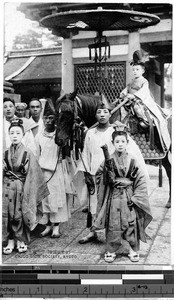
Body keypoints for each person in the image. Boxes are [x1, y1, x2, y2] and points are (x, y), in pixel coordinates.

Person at [74, 102, 149, 244]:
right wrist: (86, 173)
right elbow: (85, 154)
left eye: (105, 112)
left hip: (111, 176)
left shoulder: (115, 133)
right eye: (99, 112)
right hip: (94, 173)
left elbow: (127, 151)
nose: (102, 115)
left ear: (110, 114)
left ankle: (117, 234)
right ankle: (92, 231)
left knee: (111, 205)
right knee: (94, 203)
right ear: (95, 115)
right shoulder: (90, 133)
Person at [91, 123, 152, 263]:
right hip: (114, 196)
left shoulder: (133, 160)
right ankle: (111, 250)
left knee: (131, 222)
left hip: (129, 195)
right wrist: (107, 174)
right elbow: (99, 176)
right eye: (117, 142)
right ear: (113, 143)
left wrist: (137, 198)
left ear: (127, 143)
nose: (120, 144)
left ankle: (133, 249)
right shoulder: (108, 160)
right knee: (113, 222)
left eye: (122, 141)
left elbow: (140, 179)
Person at [2, 119, 49, 254]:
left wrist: (28, 190)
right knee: (8, 214)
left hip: (23, 187)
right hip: (7, 187)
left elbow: (34, 174)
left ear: (23, 135)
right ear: (9, 135)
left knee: (21, 213)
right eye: (12, 133)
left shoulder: (28, 153)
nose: (15, 135)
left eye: (18, 133)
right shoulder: (4, 153)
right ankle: (10, 239)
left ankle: (21, 240)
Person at [35, 100, 73, 238]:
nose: (48, 121)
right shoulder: (39, 135)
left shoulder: (59, 134)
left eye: (51, 118)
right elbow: (36, 153)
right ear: (42, 119)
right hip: (43, 171)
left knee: (57, 198)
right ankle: (47, 225)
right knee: (45, 198)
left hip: (57, 169)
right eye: (45, 118)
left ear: (55, 119)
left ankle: (56, 226)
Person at [119, 50, 170, 151]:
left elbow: (144, 92)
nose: (135, 72)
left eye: (137, 70)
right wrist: (123, 95)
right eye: (133, 70)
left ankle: (145, 121)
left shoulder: (144, 81)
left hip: (139, 101)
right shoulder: (131, 82)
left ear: (142, 71)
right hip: (129, 102)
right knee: (122, 111)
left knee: (139, 110)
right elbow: (125, 90)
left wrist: (134, 96)